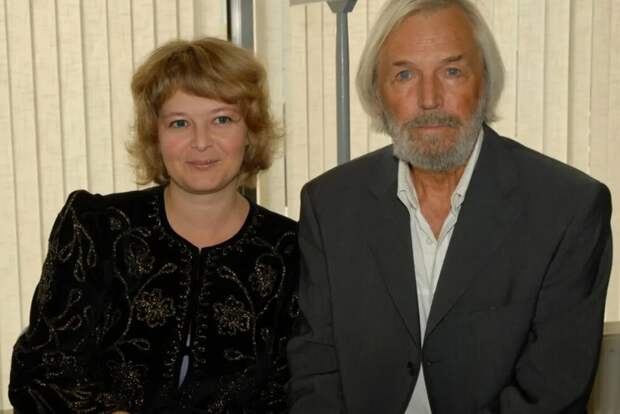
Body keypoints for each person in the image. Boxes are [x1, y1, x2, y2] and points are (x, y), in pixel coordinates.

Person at [287, 0, 613, 413]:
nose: (429, 99)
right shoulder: (330, 204)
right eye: (405, 74)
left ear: (485, 81)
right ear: (377, 93)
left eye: (452, 71)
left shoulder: (568, 208)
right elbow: (315, 373)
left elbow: (550, 393)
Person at [9, 37, 298, 414]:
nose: (200, 142)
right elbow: (40, 373)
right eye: (179, 123)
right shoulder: (97, 228)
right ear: (154, 134)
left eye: (222, 119)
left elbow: (299, 389)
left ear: (252, 131)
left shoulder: (292, 249)